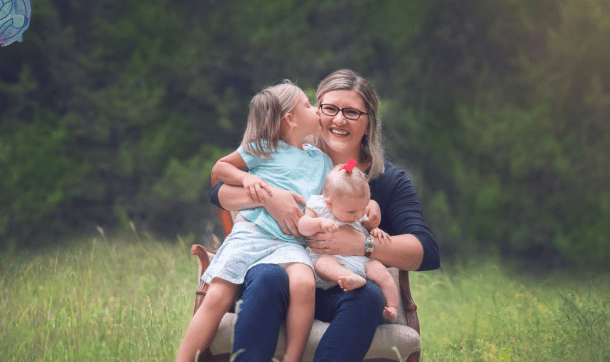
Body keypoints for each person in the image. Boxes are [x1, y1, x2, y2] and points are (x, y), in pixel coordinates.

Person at [211, 69, 440, 362]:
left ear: (369, 122)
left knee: (368, 295)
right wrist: (271, 198)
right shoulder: (292, 158)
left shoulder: (388, 181)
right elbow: (218, 191)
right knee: (267, 276)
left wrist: (361, 245)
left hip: (338, 288)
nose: (339, 119)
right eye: (329, 108)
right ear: (314, 111)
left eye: (352, 112)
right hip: (282, 278)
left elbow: (427, 252)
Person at [176, 80, 334, 362]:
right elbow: (221, 168)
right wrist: (248, 177)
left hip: (290, 241)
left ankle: (291, 358)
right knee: (218, 295)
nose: (317, 110)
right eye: (309, 105)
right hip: (252, 233)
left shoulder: (321, 161)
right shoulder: (263, 148)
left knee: (304, 283)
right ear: (290, 118)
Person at [298, 162, 399, 323]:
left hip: (358, 258)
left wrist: (376, 231)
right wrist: (319, 223)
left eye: (363, 208)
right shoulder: (319, 207)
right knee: (322, 264)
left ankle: (393, 307)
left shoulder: (357, 210)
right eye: (352, 212)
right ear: (329, 203)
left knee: (381, 271)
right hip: (330, 259)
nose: (359, 215)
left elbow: (368, 228)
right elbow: (302, 226)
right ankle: (350, 277)